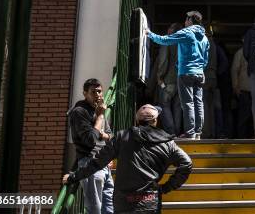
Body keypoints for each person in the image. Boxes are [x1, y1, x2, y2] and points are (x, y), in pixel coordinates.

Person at [63, 104, 192, 213]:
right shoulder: (167, 143)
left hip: (124, 202)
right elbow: (186, 164)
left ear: (137, 121)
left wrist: (73, 177)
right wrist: (166, 187)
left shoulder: (122, 137)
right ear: (155, 121)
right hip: (150, 201)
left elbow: (97, 162)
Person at [147, 10, 210, 140]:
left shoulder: (186, 32)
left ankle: (190, 133)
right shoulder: (204, 37)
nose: (185, 21)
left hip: (186, 73)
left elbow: (165, 40)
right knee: (198, 102)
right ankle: (198, 132)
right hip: (199, 73)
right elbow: (205, 59)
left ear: (190, 20)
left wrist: (149, 34)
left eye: (186, 19)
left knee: (187, 103)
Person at [68, 78, 114, 214]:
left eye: (100, 92)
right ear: (85, 93)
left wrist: (101, 134)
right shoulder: (79, 112)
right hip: (90, 164)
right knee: (95, 209)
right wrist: (100, 117)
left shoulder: (98, 109)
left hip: (104, 164)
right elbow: (90, 140)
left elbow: (111, 136)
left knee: (109, 208)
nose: (98, 95)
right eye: (93, 92)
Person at [155, 22, 184, 136]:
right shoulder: (183, 43)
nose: (168, 29)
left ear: (172, 31)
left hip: (168, 80)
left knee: (164, 105)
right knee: (177, 107)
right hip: (181, 81)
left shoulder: (167, 41)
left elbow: (163, 60)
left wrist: (160, 76)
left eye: (170, 27)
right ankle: (176, 132)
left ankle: (171, 133)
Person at [232, 41, 253, 138]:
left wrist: (235, 86)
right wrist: (236, 86)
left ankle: (243, 136)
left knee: (244, 115)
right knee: (248, 115)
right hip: (249, 89)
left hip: (244, 88)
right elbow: (235, 70)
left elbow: (234, 70)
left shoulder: (240, 52)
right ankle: (244, 136)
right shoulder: (243, 52)